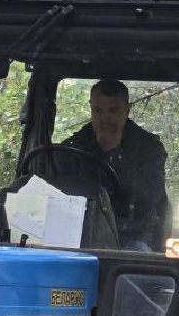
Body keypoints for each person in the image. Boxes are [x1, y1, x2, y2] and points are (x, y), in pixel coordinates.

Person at [60, 79, 169, 251]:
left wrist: (114, 153)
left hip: (131, 234)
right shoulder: (74, 146)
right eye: (98, 111)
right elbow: (59, 188)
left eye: (113, 110)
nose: (104, 119)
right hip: (79, 231)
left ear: (127, 110)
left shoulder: (148, 149)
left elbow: (148, 199)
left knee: (139, 258)